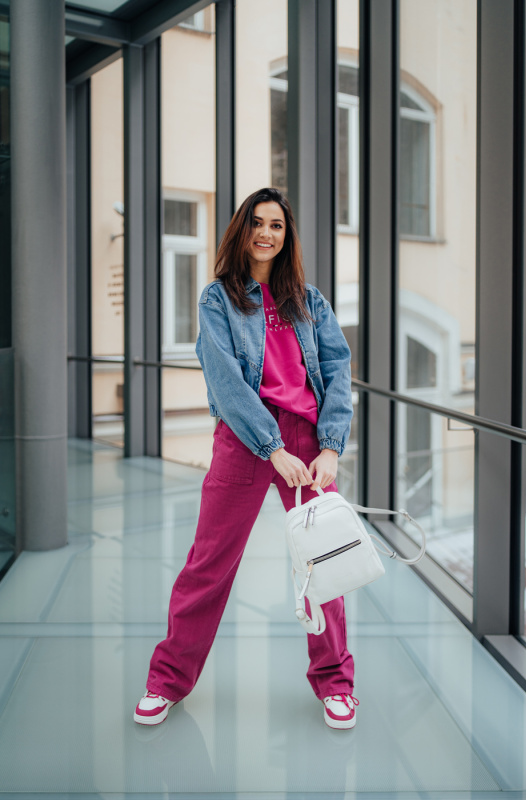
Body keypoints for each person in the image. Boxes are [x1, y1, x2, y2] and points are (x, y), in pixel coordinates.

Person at [134, 187, 357, 730]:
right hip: (245, 438)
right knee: (208, 563)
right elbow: (225, 380)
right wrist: (270, 447)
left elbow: (337, 370)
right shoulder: (219, 299)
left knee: (322, 562)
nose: (266, 233)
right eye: (257, 223)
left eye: (277, 225)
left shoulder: (310, 299)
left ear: (288, 235)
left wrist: (329, 446)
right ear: (243, 230)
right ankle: (166, 681)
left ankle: (335, 683)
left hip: (305, 439)